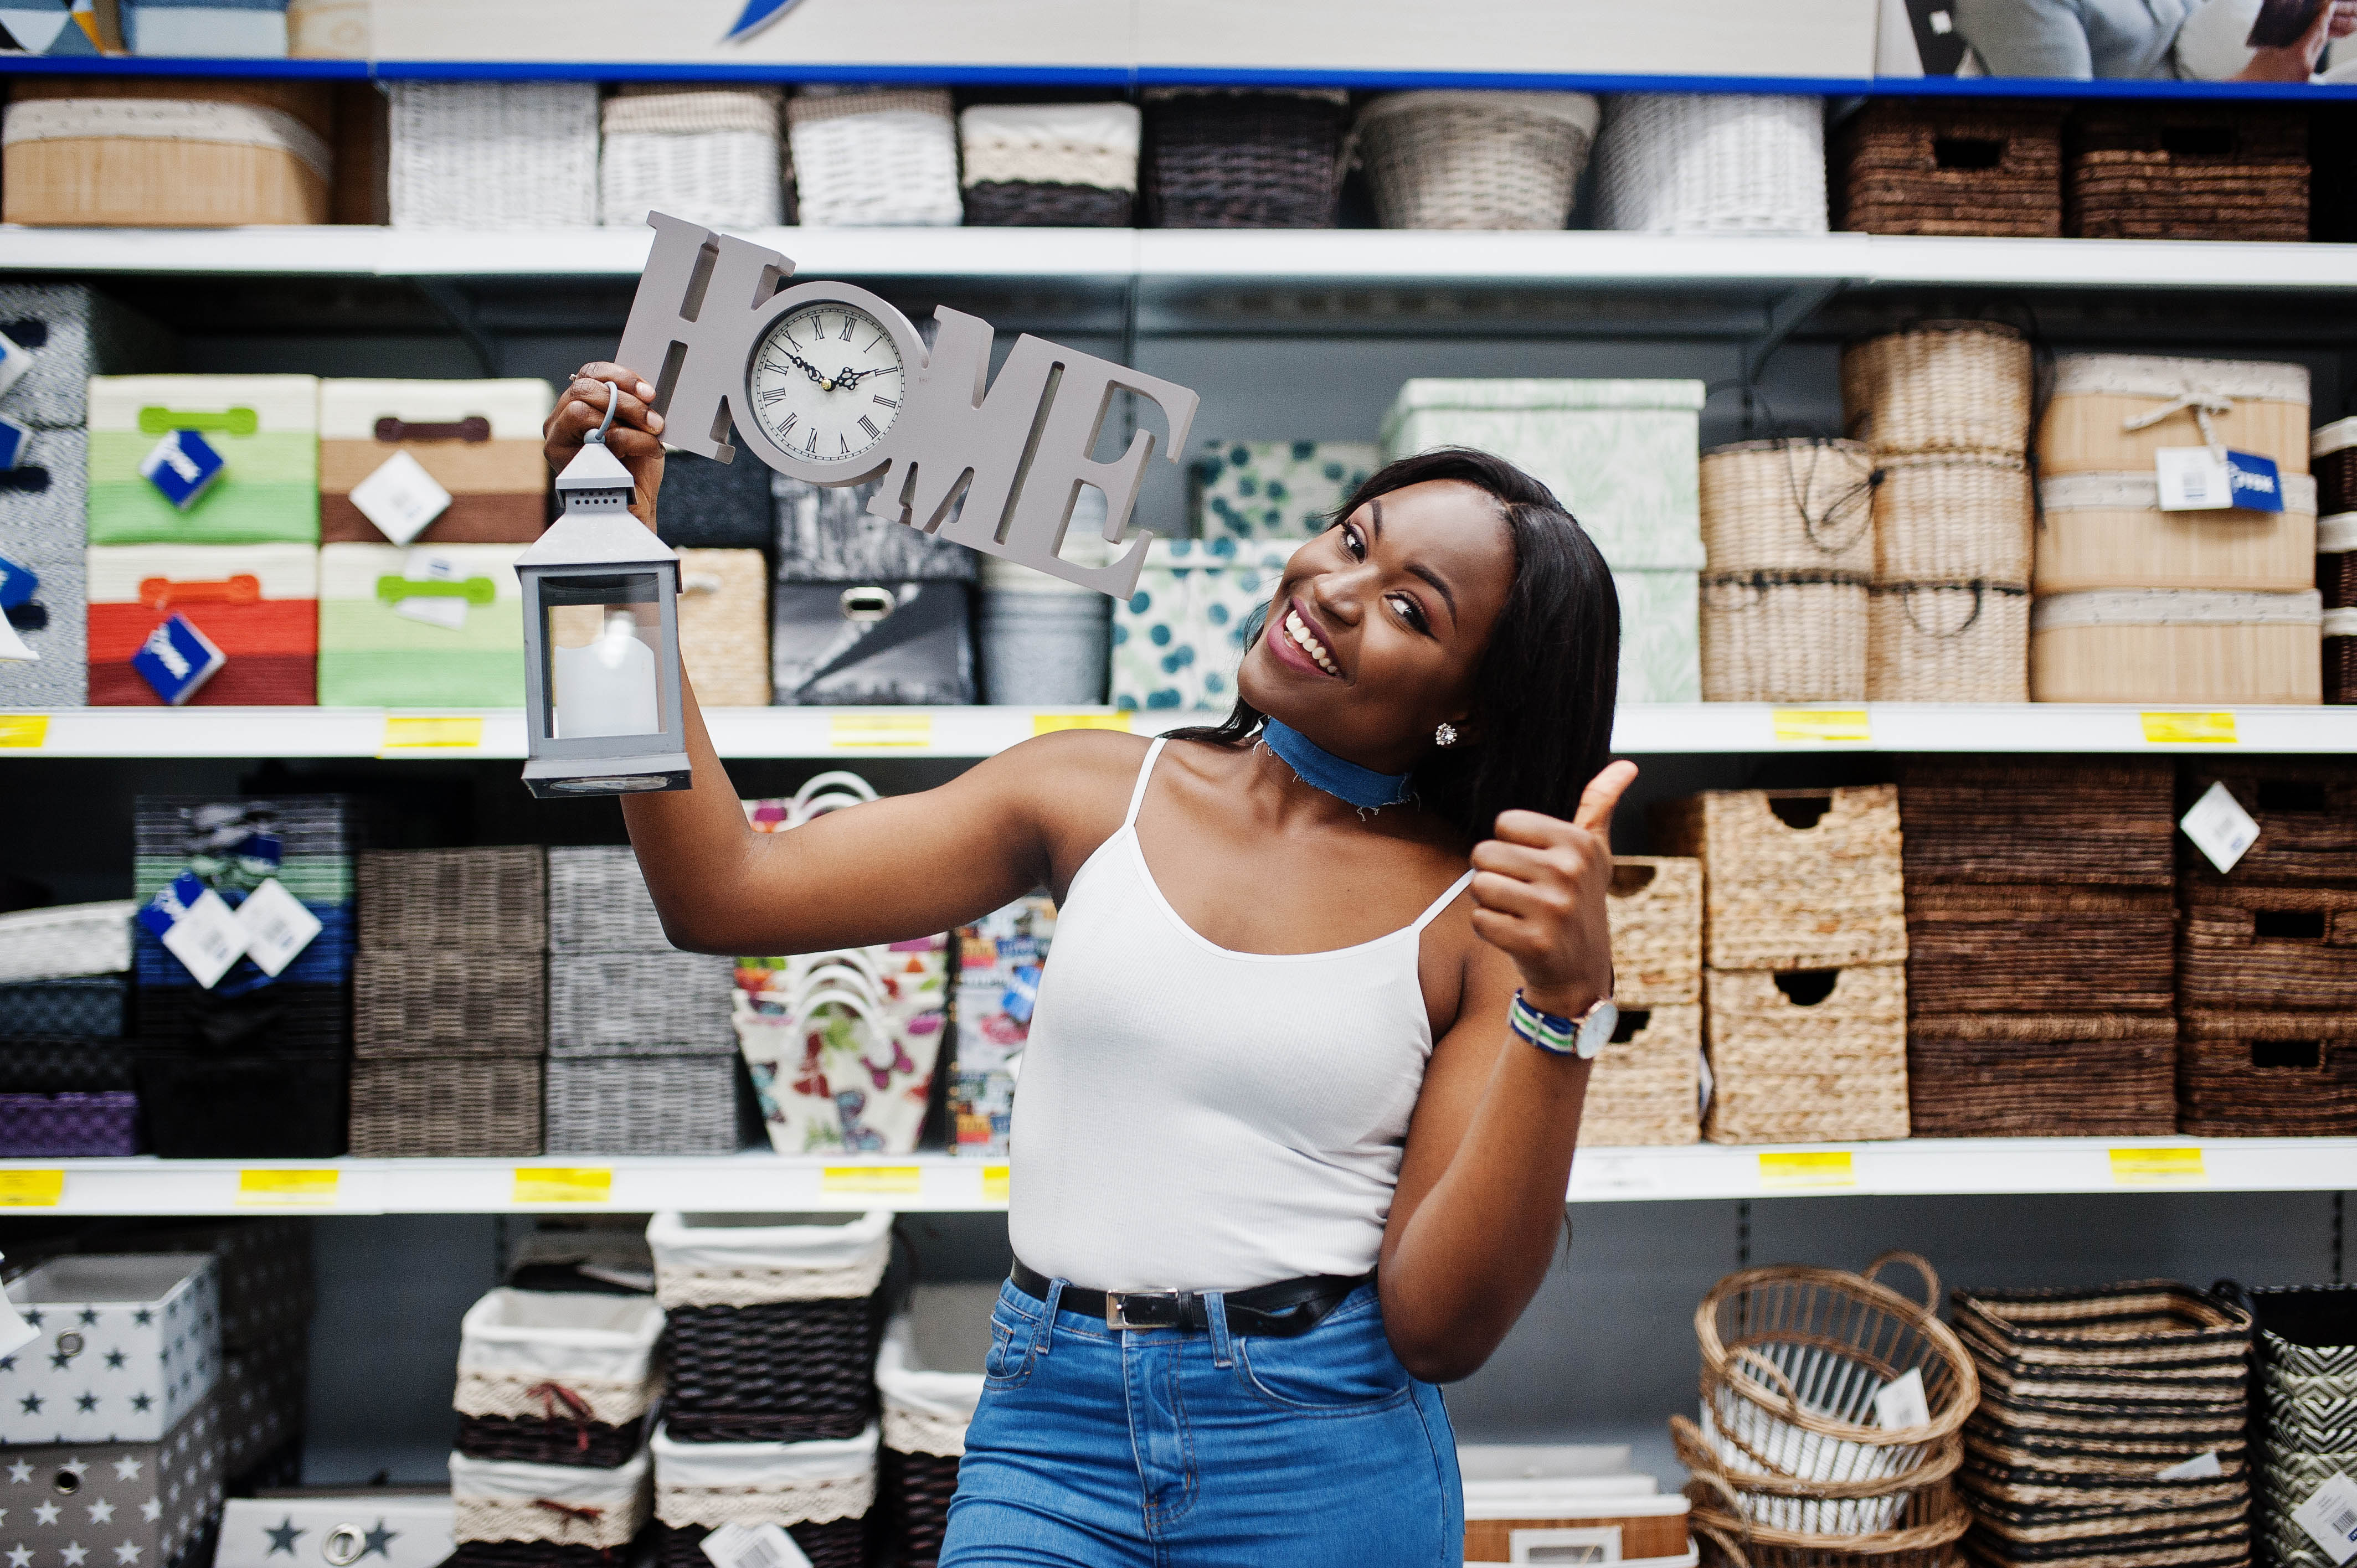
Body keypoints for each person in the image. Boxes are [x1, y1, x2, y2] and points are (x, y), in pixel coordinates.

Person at [545, 363, 1635, 1568]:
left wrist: (1563, 1010)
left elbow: (1442, 1329)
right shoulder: (1086, 792)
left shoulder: (1473, 921)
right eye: (1349, 539)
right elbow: (718, 893)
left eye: (1409, 609)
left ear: (1470, 711)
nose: (1331, 591)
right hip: (1047, 1436)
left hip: (1318, 1457)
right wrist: (611, 571)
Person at [1954, 0, 2357, 79]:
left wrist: (2306, 16)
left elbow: (2201, 35)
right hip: (2169, 173)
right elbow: (2070, 143)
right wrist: (2257, 89)